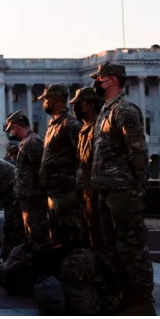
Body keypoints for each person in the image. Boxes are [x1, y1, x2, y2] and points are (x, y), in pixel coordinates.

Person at [90, 62, 155, 314]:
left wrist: (138, 183)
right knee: (111, 247)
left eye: (100, 78)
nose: (96, 82)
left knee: (131, 247)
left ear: (113, 80)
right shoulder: (106, 110)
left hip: (123, 191)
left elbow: (137, 150)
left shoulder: (125, 110)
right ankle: (121, 298)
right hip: (106, 189)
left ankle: (140, 301)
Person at [38, 83, 82, 249]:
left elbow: (82, 156)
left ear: (55, 100)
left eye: (46, 99)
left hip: (66, 192)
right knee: (56, 237)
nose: (44, 103)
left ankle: (75, 270)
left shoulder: (70, 124)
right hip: (54, 191)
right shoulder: (53, 124)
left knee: (69, 236)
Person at [5, 110, 49, 245]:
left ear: (15, 127)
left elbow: (40, 170)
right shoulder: (26, 142)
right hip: (27, 196)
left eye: (11, 130)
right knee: (30, 234)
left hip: (33, 198)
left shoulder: (32, 142)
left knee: (37, 235)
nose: (11, 134)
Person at [71, 86, 105, 252]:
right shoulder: (84, 128)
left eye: (80, 103)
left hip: (97, 193)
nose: (76, 107)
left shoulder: (100, 126)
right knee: (89, 237)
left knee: (100, 238)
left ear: (91, 105)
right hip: (85, 193)